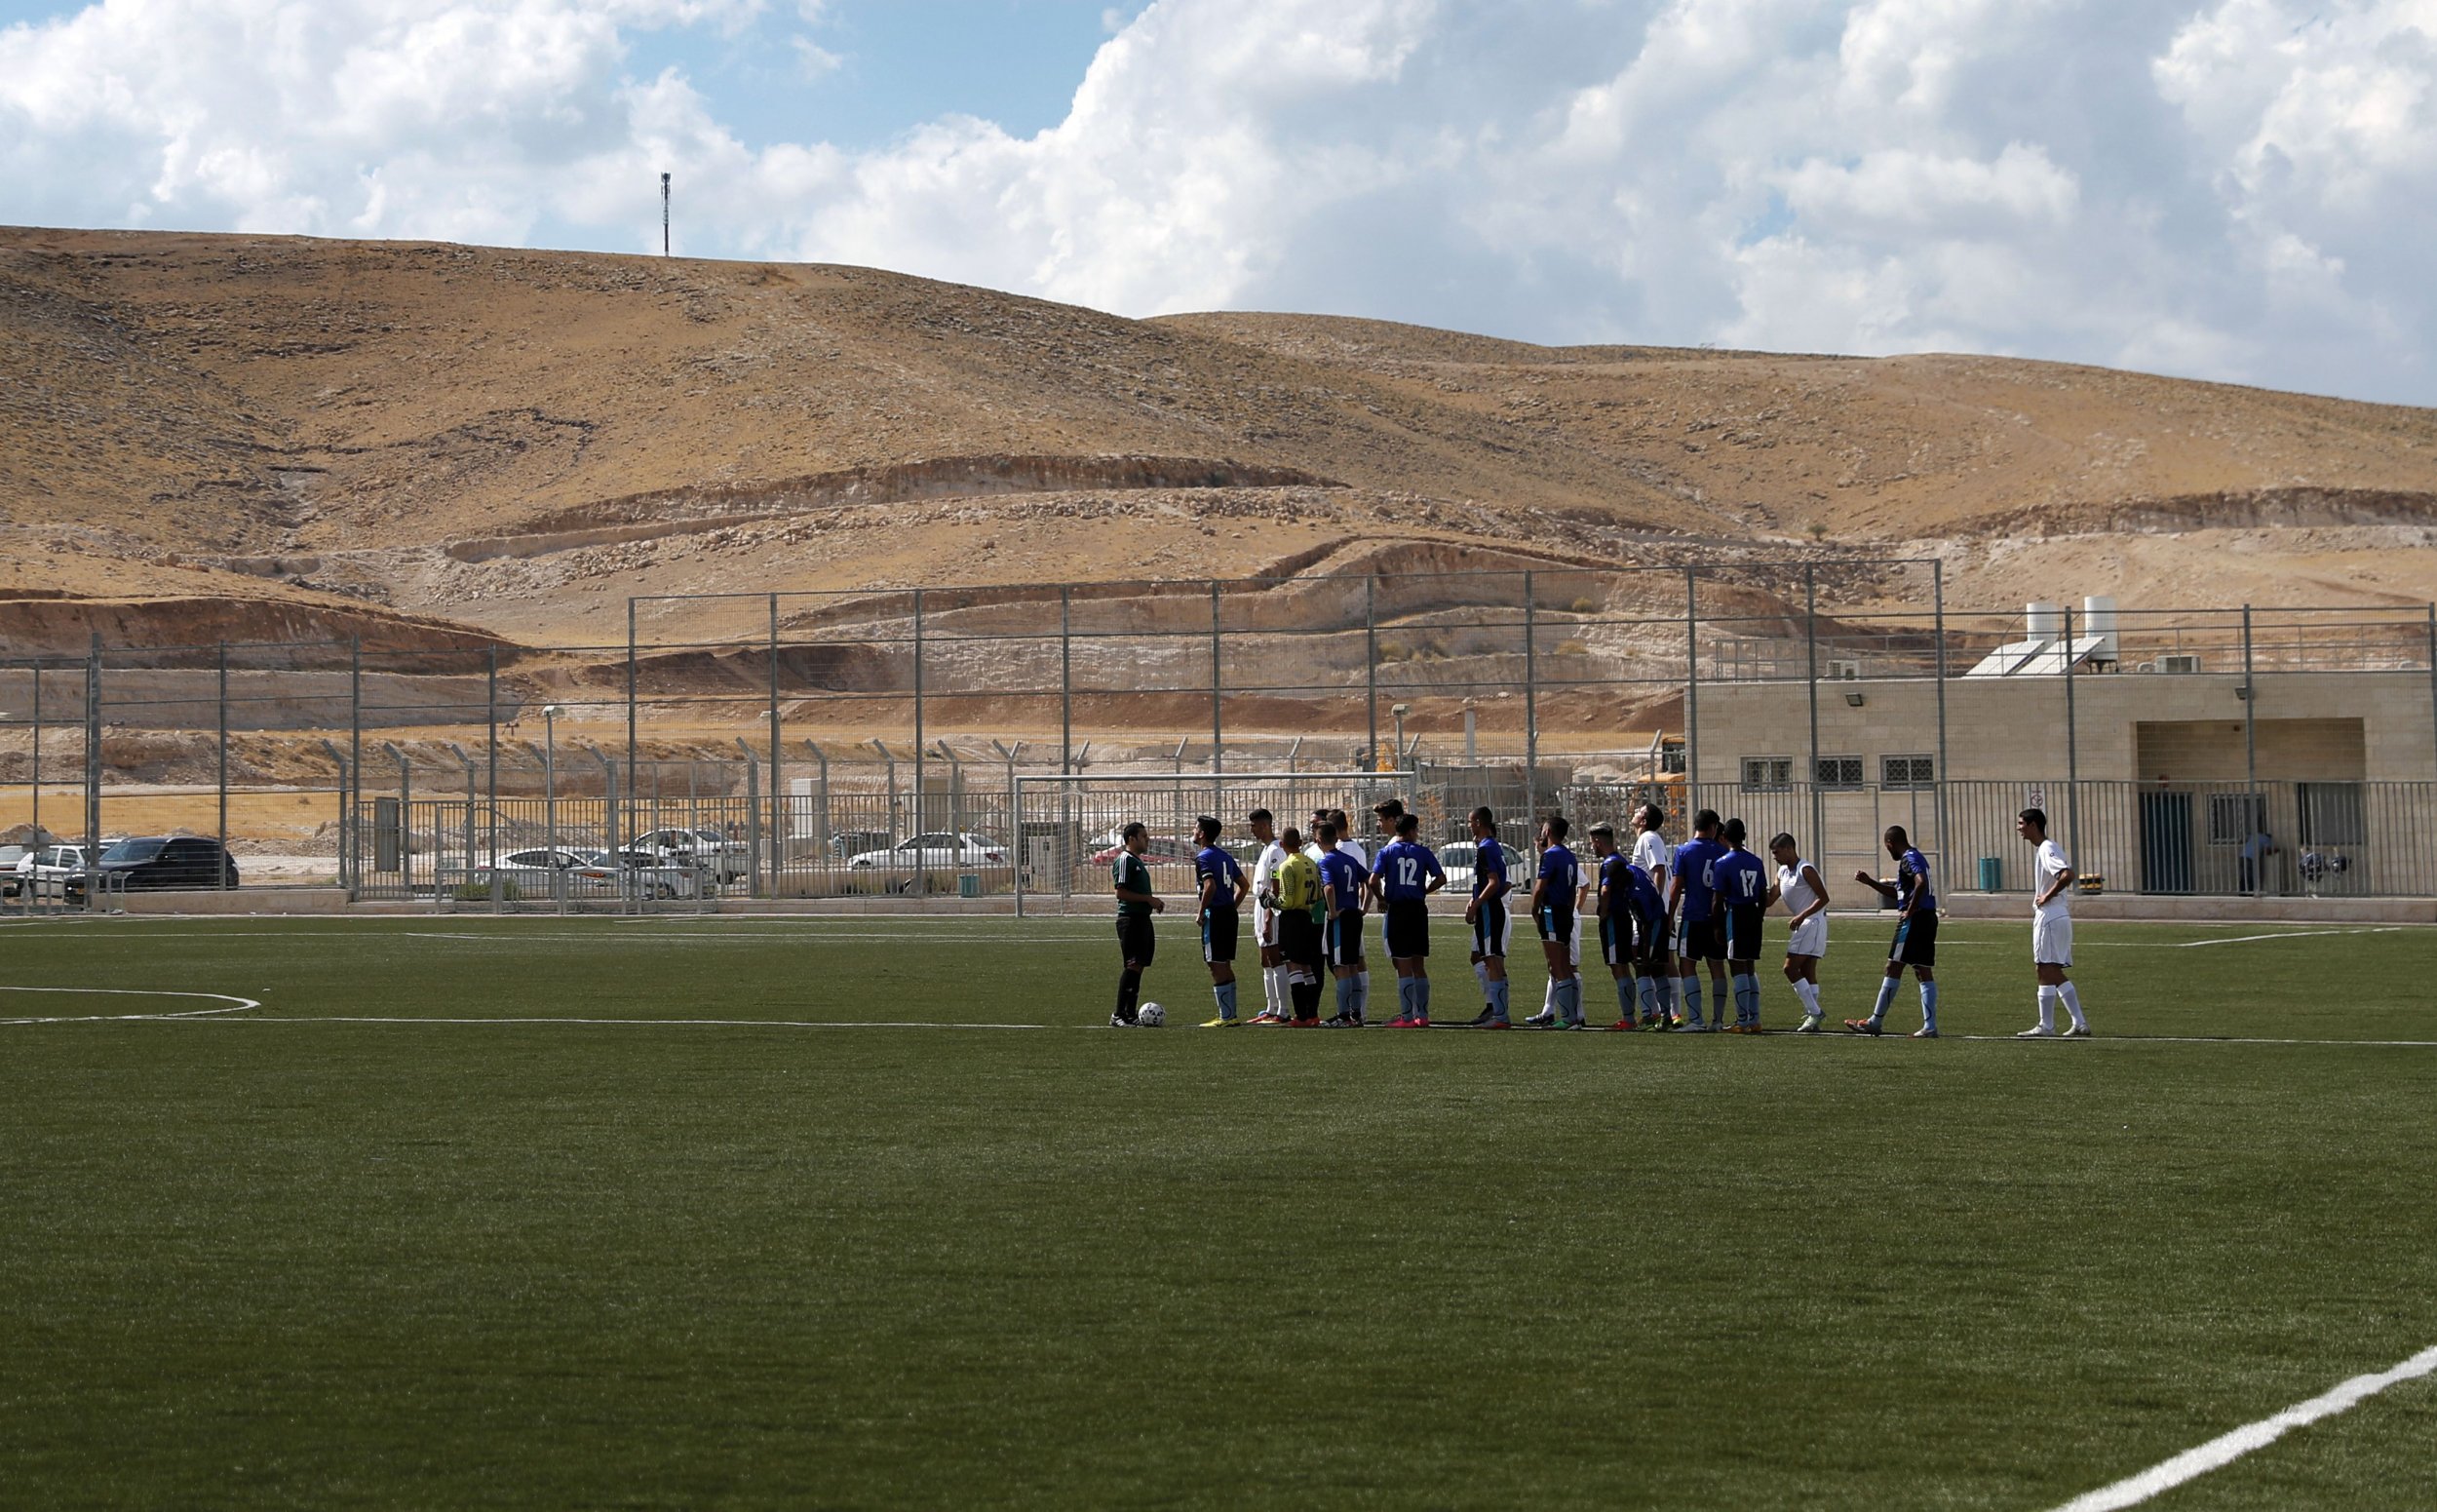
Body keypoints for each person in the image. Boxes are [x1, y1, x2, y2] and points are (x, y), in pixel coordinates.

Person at [1847, 826, 1939, 1038]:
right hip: (1928, 918)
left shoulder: (1908, 858)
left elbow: (1921, 883)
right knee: (1922, 969)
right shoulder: (1916, 856)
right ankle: (1930, 1026)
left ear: (1890, 844)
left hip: (1915, 920)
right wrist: (1870, 882)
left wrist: (1910, 910)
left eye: (1887, 847)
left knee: (1893, 967)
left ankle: (1875, 1022)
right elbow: (1898, 892)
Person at [2015, 808, 2092, 1038]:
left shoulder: (2047, 848)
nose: (2018, 828)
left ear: (2033, 825)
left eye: (2021, 823)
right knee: (2048, 969)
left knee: (2045, 968)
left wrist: (2046, 896)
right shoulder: (2046, 848)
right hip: (2056, 915)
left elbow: (2067, 875)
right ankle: (2063, 1023)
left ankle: (2059, 1024)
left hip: (2050, 915)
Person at [1369, 810, 1447, 1027]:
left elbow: (1373, 881)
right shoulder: (1423, 852)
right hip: (1417, 910)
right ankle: (1422, 1015)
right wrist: (1425, 890)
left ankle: (1407, 1016)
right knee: (1418, 964)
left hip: (1398, 910)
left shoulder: (1387, 852)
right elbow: (1441, 878)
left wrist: (1381, 899)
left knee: (1403, 965)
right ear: (1412, 831)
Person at [1590, 823, 1666, 1030]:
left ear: (1597, 842)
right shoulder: (1621, 860)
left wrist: (1603, 913)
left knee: (1619, 967)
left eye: (1592, 843)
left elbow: (1606, 891)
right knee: (1630, 964)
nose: (1591, 848)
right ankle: (1651, 1012)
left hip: (1614, 920)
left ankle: (1629, 1018)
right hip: (1626, 918)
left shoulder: (1610, 863)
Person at [1666, 809, 1729, 1032]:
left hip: (1693, 916)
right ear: (1713, 827)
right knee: (1717, 966)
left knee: (1687, 964)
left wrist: (1670, 915)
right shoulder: (1723, 851)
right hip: (1716, 918)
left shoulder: (1683, 851)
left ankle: (1696, 1019)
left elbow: (1676, 887)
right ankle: (1718, 1020)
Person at [1710, 818, 1770, 1032]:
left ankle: (1742, 1021)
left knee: (1737, 967)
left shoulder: (1723, 863)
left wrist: (1717, 927)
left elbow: (1717, 899)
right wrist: (1759, 916)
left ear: (1724, 837)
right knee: (1750, 966)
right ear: (1744, 836)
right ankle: (1754, 1020)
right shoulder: (1756, 861)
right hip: (1753, 913)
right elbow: (1764, 895)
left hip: (1735, 914)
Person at [1527, 814, 1586, 1028]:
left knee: (1556, 966)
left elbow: (1541, 886)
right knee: (1565, 966)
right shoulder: (1570, 856)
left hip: (1551, 911)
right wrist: (1570, 912)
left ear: (1548, 832)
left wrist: (1534, 910)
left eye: (1543, 829)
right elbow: (1572, 891)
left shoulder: (1550, 855)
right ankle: (1574, 1016)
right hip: (1565, 913)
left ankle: (1568, 1018)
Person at [1767, 832, 1831, 1032]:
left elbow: (1823, 898)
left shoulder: (1806, 869)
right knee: (1807, 970)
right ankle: (1812, 1017)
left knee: (1789, 968)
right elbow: (1770, 899)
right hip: (1805, 924)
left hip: (1811, 922)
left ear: (1789, 849)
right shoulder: (1783, 872)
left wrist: (1801, 915)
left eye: (1777, 852)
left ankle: (1815, 1011)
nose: (1775, 857)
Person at [1192, 815, 1250, 1027]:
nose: (1193, 831)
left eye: (1196, 828)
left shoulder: (1204, 857)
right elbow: (1244, 885)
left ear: (1202, 834)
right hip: (1227, 914)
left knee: (1215, 963)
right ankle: (1230, 1015)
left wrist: (1201, 912)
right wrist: (1231, 906)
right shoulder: (1225, 856)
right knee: (1224, 962)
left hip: (1215, 915)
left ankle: (1226, 1016)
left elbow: (1210, 886)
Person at [1462, 805, 1516, 1028]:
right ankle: (1499, 1012)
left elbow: (1494, 883)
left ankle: (1500, 1015)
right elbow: (1502, 883)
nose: (1468, 826)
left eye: (1470, 822)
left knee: (1492, 961)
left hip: (1489, 912)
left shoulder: (1485, 848)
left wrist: (1477, 904)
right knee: (1494, 960)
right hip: (1494, 909)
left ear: (1477, 823)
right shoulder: (1493, 846)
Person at [1316, 819, 1372, 1027]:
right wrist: (1364, 907)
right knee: (1352, 964)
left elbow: (1328, 888)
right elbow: (1369, 881)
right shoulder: (1348, 859)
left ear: (1319, 839)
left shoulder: (1326, 861)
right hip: (1354, 916)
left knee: (1340, 966)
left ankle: (1343, 1016)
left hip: (1340, 917)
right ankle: (1356, 1013)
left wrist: (1331, 912)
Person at [1108, 821, 1164, 1027]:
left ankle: (1131, 1014)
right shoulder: (1125, 859)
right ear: (1132, 839)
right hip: (1129, 920)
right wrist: (1149, 899)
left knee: (1138, 966)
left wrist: (1152, 901)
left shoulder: (1137, 861)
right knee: (1132, 965)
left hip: (1142, 919)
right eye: (1144, 836)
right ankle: (1119, 1014)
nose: (1147, 840)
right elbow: (1120, 892)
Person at [1270, 825, 1327, 1026]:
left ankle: (1301, 1016)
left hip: (1292, 918)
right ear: (1301, 843)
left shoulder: (1287, 866)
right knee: (1307, 966)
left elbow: (1287, 900)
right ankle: (1312, 1014)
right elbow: (1319, 893)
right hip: (1309, 917)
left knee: (1293, 965)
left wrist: (1270, 901)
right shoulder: (1310, 862)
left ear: (1282, 844)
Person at [1629, 803, 1678, 1027]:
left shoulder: (1648, 838)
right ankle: (1664, 1013)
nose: (1635, 811)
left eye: (1639, 810)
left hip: (1651, 914)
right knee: (1658, 961)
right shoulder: (1649, 839)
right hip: (1652, 912)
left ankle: (1656, 1012)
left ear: (1644, 821)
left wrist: (1655, 905)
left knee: (1645, 961)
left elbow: (1658, 869)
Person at [1246, 808, 1291, 1024]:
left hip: (1270, 907)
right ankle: (1271, 1007)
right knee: (1265, 958)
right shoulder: (1266, 849)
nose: (1251, 830)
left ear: (1264, 825)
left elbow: (1275, 884)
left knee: (1275, 957)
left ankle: (1283, 1010)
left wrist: (1268, 917)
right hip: (1260, 905)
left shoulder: (1275, 850)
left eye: (1253, 825)